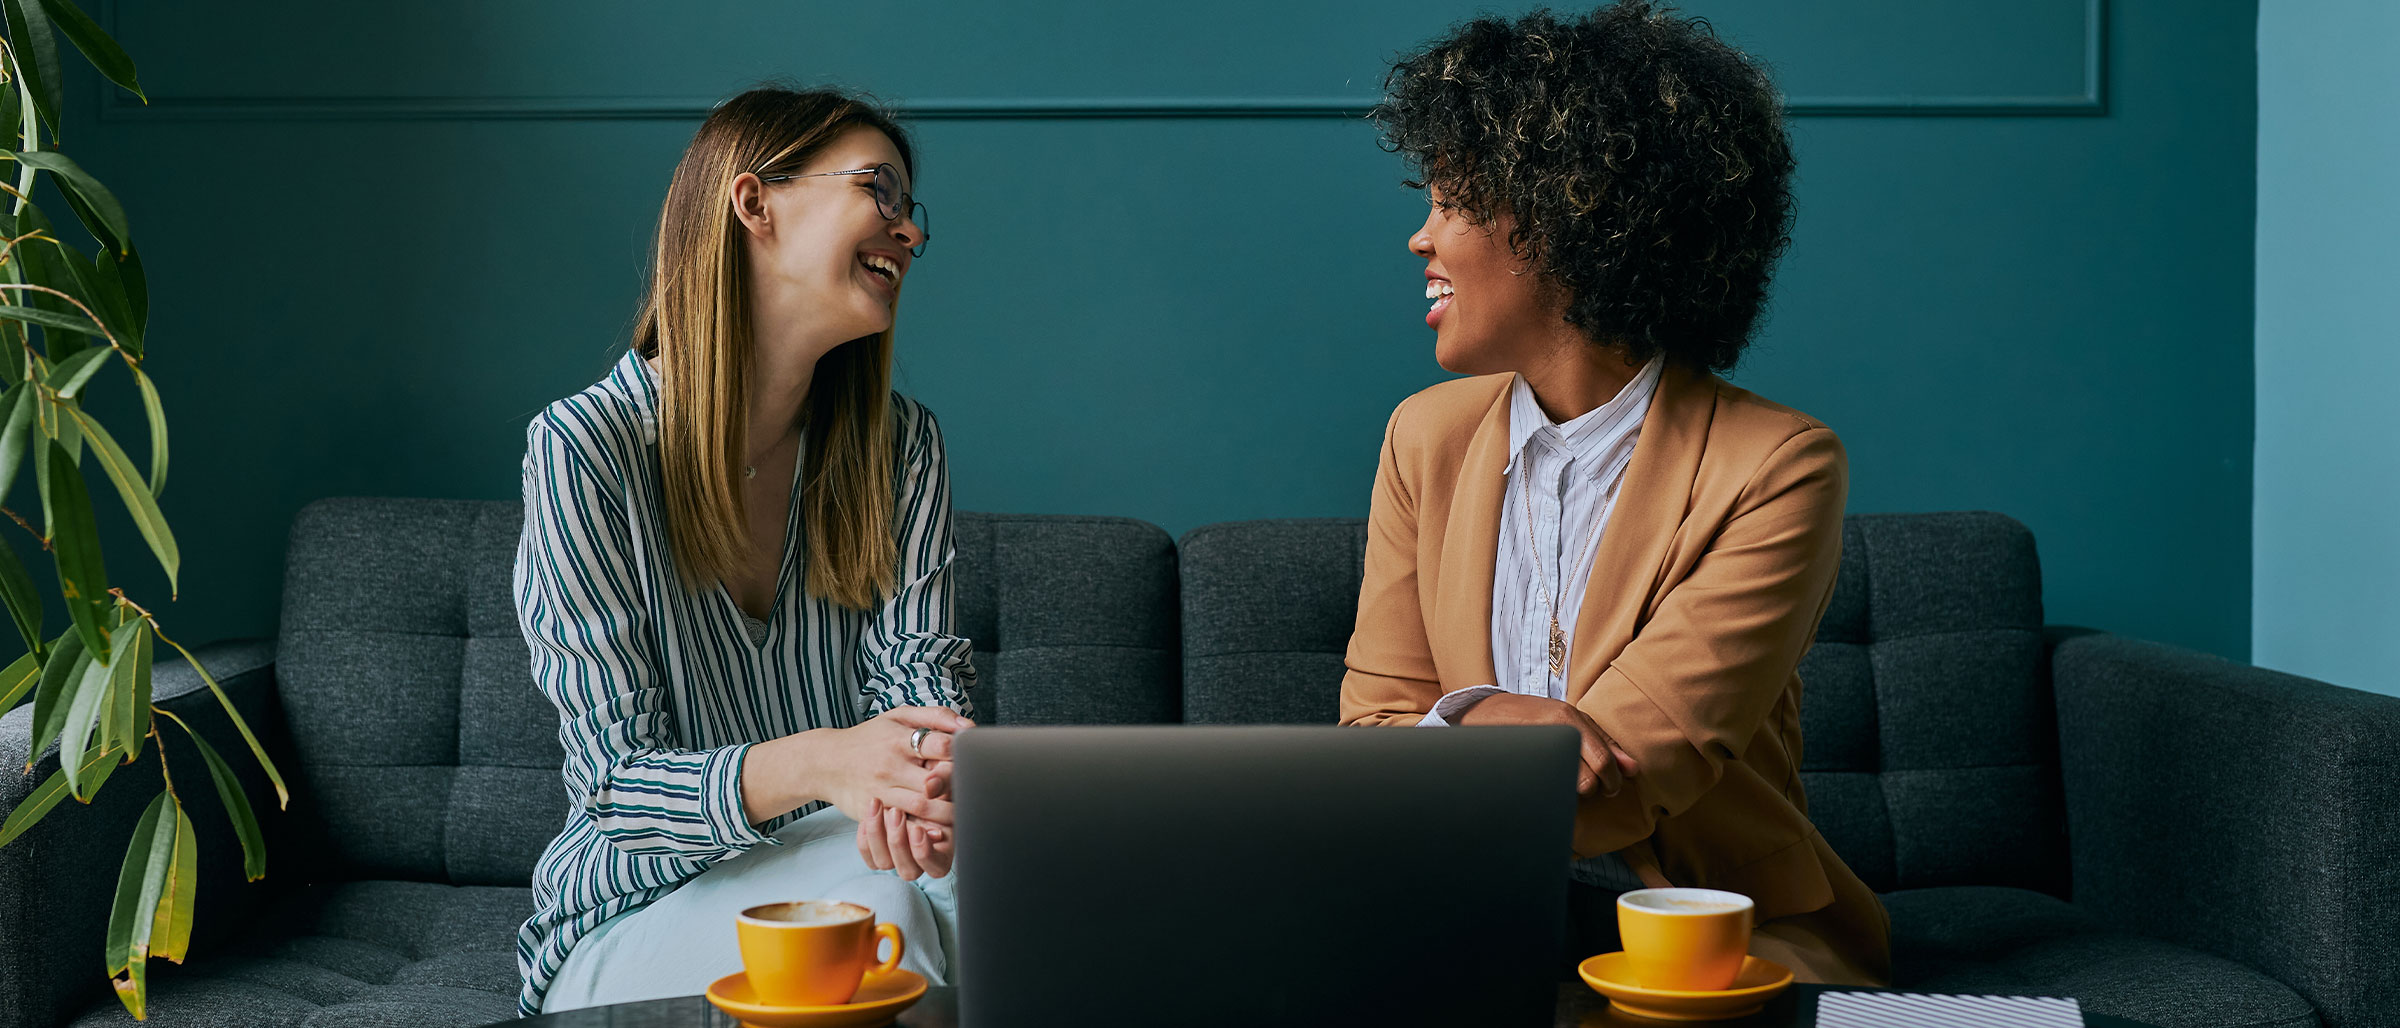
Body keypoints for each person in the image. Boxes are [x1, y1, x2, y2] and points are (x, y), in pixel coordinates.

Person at [1340, 3, 1890, 985]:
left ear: (1569, 213)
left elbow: (1626, 783)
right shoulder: (1422, 436)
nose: (1420, 239)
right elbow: (1367, 738)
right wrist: (1476, 715)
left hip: (1707, 936)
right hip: (1457, 910)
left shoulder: (1778, 464)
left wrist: (1433, 753)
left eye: (1452, 201)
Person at [511, 86, 975, 1015]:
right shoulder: (583, 447)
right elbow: (615, 787)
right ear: (755, 202)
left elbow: (921, 702)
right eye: (878, 191)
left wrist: (932, 788)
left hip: (859, 867)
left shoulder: (902, 448)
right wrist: (830, 763)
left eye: (911, 209)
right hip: (636, 907)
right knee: (879, 916)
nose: (908, 232)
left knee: (999, 891)